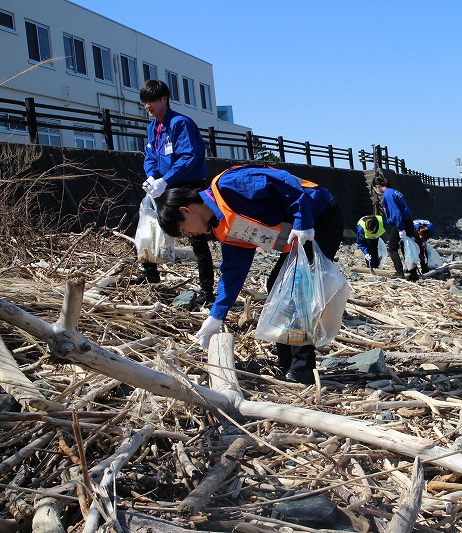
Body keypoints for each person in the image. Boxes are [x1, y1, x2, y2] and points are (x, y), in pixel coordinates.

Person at [156, 164, 344, 385]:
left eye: (184, 230)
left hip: (319, 216)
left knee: (296, 288)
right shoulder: (221, 227)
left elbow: (282, 181)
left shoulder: (229, 186)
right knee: (278, 285)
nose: (190, 235)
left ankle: (302, 368)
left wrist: (303, 221)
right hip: (299, 233)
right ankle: (287, 363)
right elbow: (234, 271)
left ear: (186, 210)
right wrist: (216, 315)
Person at [131, 79, 215, 305]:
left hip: (188, 186)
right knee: (146, 223)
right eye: (144, 101)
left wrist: (166, 179)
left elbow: (189, 157)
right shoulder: (153, 128)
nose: (147, 105)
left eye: (151, 100)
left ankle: (207, 290)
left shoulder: (180, 123)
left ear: (164, 99)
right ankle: (150, 275)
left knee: (197, 237)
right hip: (164, 185)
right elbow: (151, 156)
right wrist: (152, 176)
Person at [371, 175, 417, 280]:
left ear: (377, 186)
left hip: (401, 222)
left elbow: (396, 213)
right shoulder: (393, 191)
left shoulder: (388, 195)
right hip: (407, 221)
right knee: (406, 246)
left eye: (374, 189)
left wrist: (400, 229)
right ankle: (413, 271)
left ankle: (399, 272)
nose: (375, 191)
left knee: (392, 247)